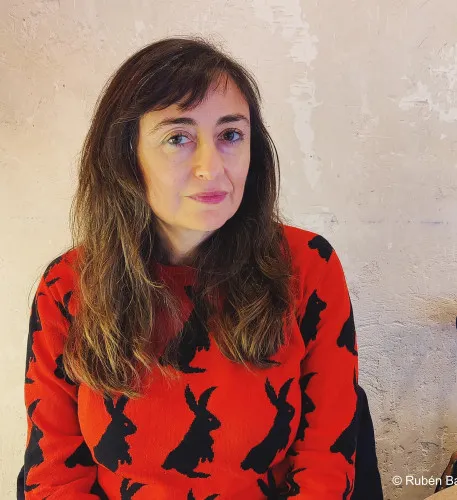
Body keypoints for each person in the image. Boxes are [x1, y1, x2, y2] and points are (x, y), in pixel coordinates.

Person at [20, 37, 359, 499]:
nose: (210, 167)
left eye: (230, 135)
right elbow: (54, 478)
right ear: (126, 155)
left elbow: (326, 464)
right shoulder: (68, 287)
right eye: (178, 138)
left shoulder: (307, 267)